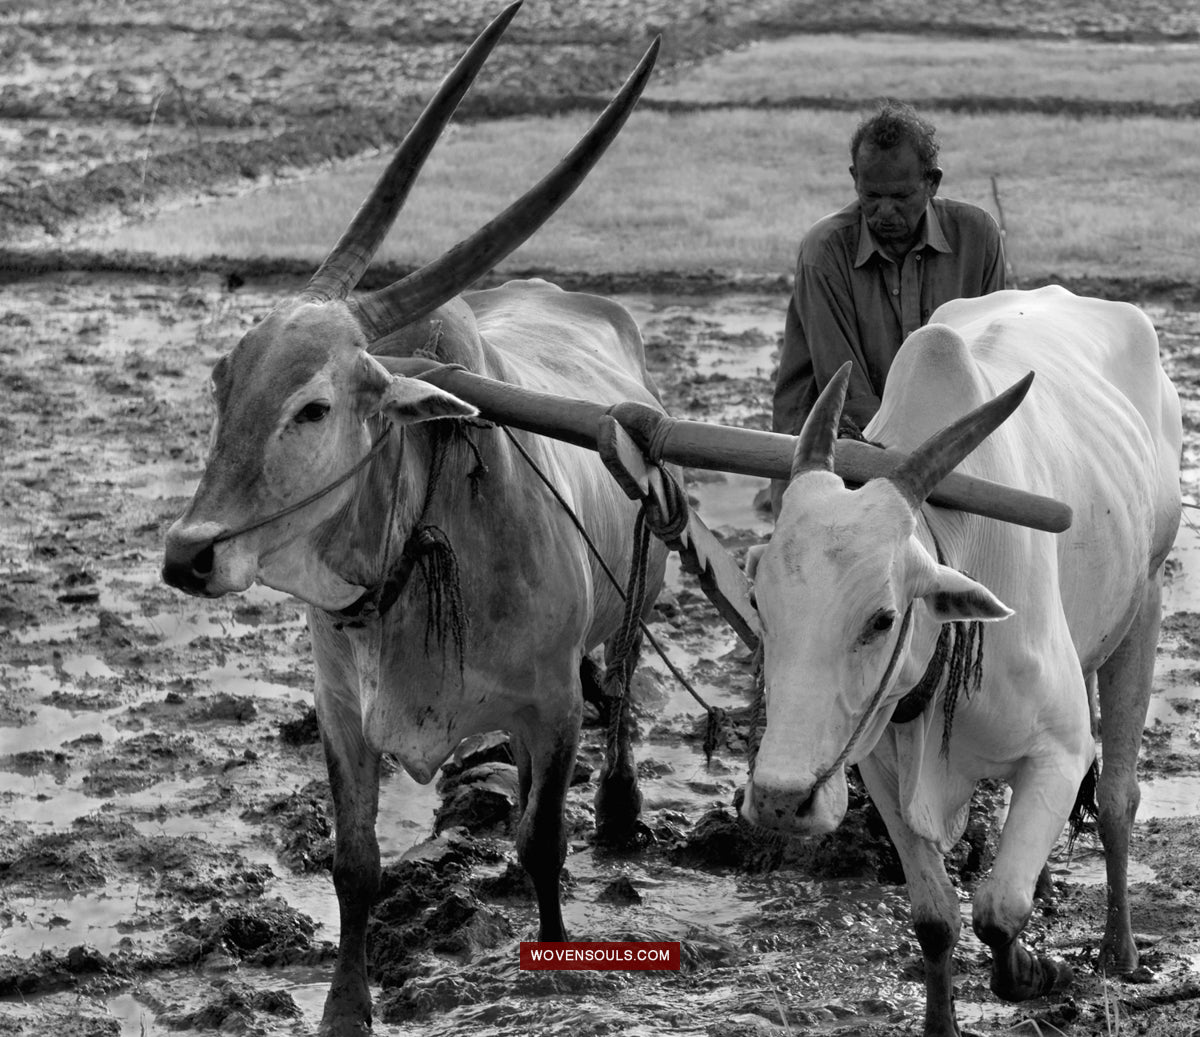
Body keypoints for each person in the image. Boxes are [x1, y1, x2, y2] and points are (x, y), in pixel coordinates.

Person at [771, 100, 1006, 514]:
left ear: (931, 183)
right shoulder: (824, 251)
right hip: (839, 450)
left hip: (949, 456)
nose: (884, 212)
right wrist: (917, 468)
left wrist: (950, 460)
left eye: (900, 196)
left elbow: (989, 359)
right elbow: (845, 387)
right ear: (854, 180)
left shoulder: (978, 238)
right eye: (871, 195)